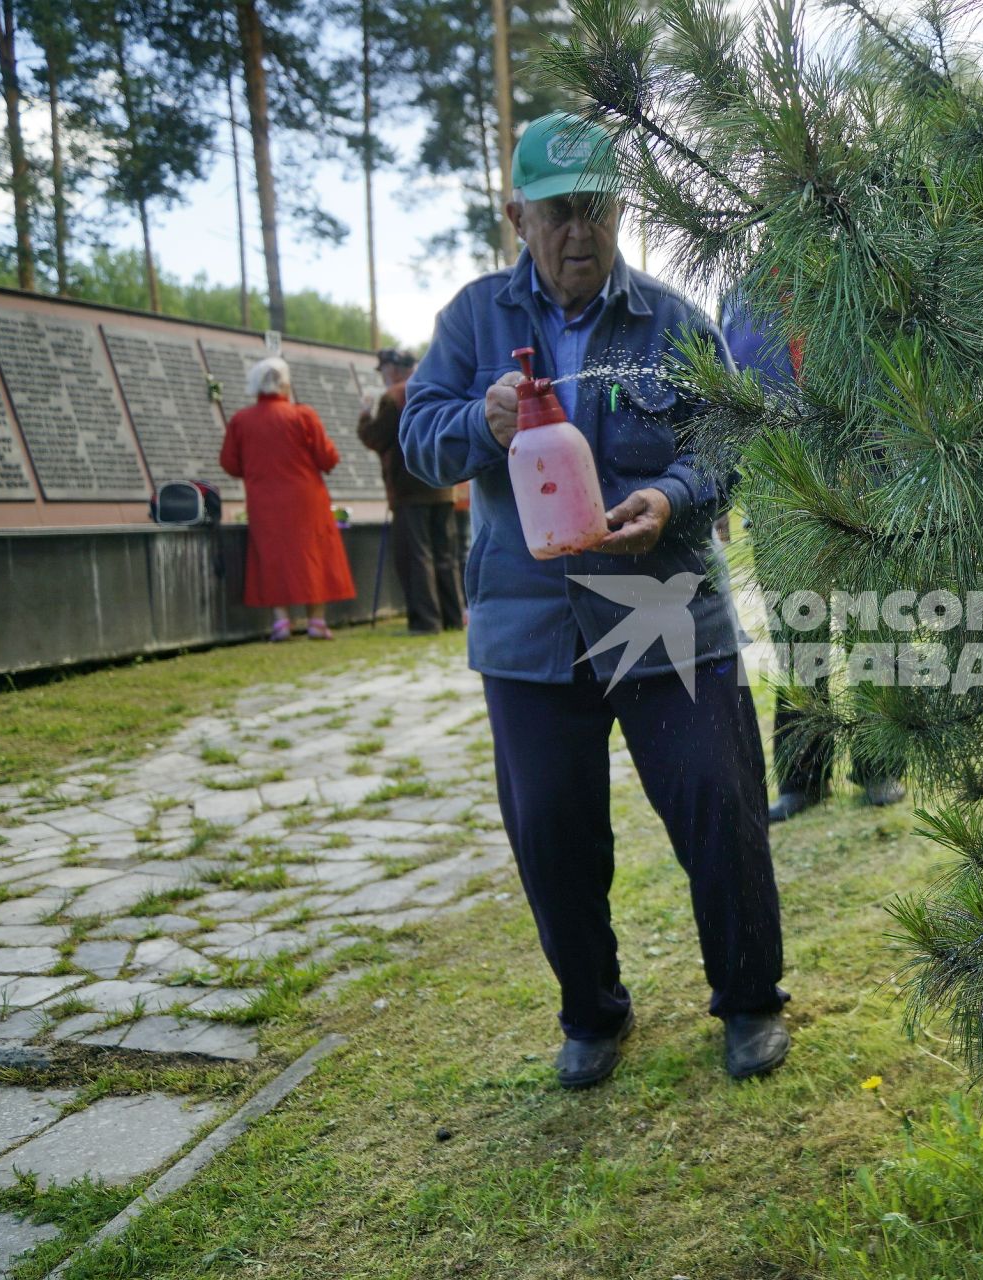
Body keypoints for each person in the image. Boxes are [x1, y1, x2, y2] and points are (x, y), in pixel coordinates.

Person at [398, 112, 788, 1090]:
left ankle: (748, 999)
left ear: (621, 210)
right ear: (516, 213)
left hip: (663, 608)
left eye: (599, 209)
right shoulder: (473, 319)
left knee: (718, 799)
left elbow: (727, 445)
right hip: (530, 624)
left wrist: (675, 497)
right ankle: (592, 1011)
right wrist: (481, 422)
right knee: (551, 826)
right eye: (559, 211)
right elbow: (420, 439)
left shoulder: (671, 320)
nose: (580, 231)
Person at [720, 288, 906, 823]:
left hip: (865, 488)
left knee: (876, 631)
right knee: (799, 643)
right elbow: (727, 400)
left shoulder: (856, 269)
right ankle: (804, 778)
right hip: (778, 496)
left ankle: (880, 766)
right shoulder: (737, 296)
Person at [220, 356, 356, 641]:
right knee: (313, 555)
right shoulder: (303, 416)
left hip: (264, 501)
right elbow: (327, 457)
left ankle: (281, 620)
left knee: (272, 557)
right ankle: (316, 621)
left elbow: (230, 464)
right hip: (306, 499)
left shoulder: (241, 420)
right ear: (285, 384)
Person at [358, 348, 465, 634]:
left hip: (409, 487)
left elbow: (376, 437)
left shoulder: (394, 396)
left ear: (392, 369)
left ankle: (426, 622)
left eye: (382, 370)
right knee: (445, 555)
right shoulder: (433, 384)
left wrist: (365, 415)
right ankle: (453, 617)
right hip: (443, 484)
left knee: (416, 555)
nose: (382, 376)